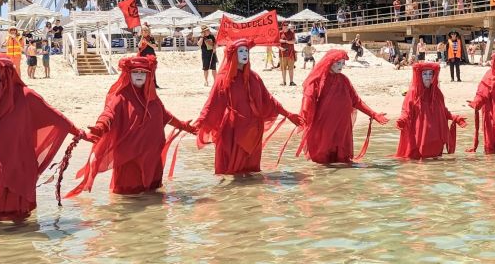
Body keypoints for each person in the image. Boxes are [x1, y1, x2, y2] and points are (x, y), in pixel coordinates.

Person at [0, 54, 88, 220]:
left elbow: (55, 116)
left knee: (16, 216)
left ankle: (11, 242)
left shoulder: (26, 96)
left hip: (17, 161)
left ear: (4, 73)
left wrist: (78, 132)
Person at [66, 56, 196, 197]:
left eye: (143, 72)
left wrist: (184, 126)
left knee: (154, 195)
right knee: (128, 196)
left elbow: (165, 115)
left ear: (149, 75)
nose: (139, 75)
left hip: (152, 157)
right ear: (129, 74)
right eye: (136, 72)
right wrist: (100, 127)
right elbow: (108, 114)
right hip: (129, 158)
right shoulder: (121, 96)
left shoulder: (153, 97)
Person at [193, 39, 303, 175]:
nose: (245, 53)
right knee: (233, 173)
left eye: (246, 51)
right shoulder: (223, 79)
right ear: (233, 54)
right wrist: (200, 122)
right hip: (234, 131)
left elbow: (268, 99)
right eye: (241, 51)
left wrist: (288, 114)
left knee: (252, 173)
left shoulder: (254, 77)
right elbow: (212, 104)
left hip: (254, 131)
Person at [295, 50, 388, 164]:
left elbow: (356, 101)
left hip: (342, 128)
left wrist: (374, 114)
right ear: (329, 63)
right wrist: (304, 114)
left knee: (343, 161)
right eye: (338, 63)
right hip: (324, 127)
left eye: (343, 63)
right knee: (322, 162)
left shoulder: (344, 80)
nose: (341, 66)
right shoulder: (317, 81)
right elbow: (308, 98)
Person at [395, 62, 467, 159]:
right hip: (421, 138)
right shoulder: (413, 93)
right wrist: (402, 120)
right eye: (425, 74)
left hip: (436, 139)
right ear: (420, 76)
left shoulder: (437, 93)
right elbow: (406, 111)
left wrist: (455, 118)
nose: (428, 77)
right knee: (421, 165)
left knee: (436, 167)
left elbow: (443, 111)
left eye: (430, 74)